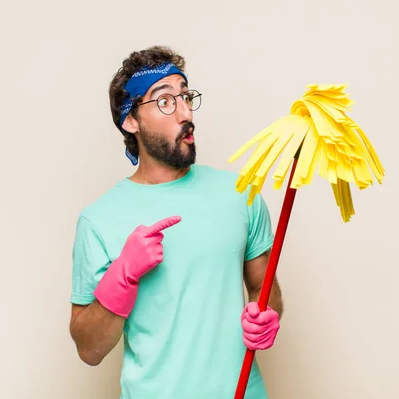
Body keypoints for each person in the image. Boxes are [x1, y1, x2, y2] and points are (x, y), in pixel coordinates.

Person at [68, 45, 284, 399]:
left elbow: (264, 288)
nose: (185, 112)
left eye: (186, 97)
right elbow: (89, 349)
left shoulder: (240, 194)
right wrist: (122, 276)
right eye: (166, 101)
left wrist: (267, 315)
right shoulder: (99, 219)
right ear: (131, 120)